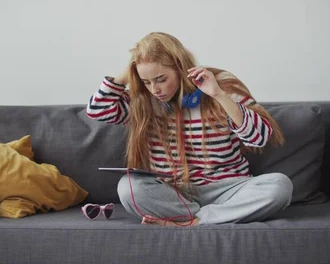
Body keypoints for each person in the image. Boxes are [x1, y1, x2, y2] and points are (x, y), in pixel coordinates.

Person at [86, 32, 293, 226]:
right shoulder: (143, 100)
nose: (155, 89)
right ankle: (215, 217)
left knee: (280, 186)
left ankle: (195, 220)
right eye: (146, 82)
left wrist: (219, 95)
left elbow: (259, 138)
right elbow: (97, 110)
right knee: (128, 187)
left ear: (180, 67)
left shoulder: (221, 87)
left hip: (228, 189)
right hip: (173, 193)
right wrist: (130, 72)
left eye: (161, 79)